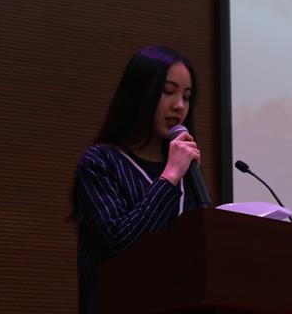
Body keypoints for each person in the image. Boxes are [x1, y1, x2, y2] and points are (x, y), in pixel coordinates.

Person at [70, 46, 205, 314]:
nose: (179, 105)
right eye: (168, 91)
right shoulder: (100, 163)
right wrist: (170, 176)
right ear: (139, 94)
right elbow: (119, 243)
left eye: (186, 96)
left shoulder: (186, 170)